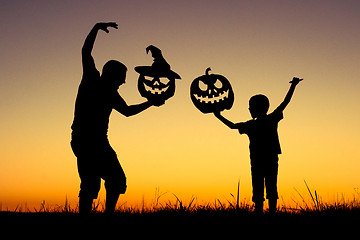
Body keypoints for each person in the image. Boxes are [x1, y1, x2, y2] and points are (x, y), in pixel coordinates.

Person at [71, 22, 160, 214]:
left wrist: (150, 103)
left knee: (116, 179)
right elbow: (86, 51)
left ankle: (108, 213)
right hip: (84, 140)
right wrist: (95, 28)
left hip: (100, 141)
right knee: (90, 183)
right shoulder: (91, 79)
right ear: (114, 75)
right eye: (122, 77)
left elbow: (127, 111)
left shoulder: (111, 93)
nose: (124, 82)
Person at [214, 77, 303, 214]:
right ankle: (271, 211)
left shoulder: (251, 124)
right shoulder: (271, 119)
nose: (249, 109)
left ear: (254, 109)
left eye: (250, 107)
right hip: (271, 158)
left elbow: (232, 126)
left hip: (258, 160)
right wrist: (293, 86)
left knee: (258, 187)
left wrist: (218, 116)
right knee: (271, 185)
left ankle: (259, 212)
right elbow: (285, 102)